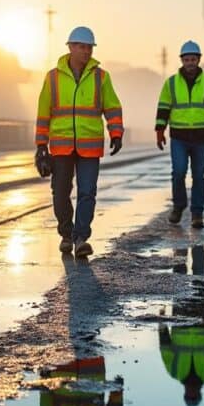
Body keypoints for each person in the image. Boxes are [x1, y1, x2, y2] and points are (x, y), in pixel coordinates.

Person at [35, 26, 124, 258]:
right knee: (60, 193)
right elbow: (43, 112)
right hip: (61, 146)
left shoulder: (101, 77)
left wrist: (116, 132)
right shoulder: (52, 78)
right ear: (70, 48)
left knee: (87, 193)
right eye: (81, 47)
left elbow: (112, 107)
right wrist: (40, 146)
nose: (86, 51)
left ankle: (81, 238)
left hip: (90, 146)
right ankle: (66, 234)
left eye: (89, 48)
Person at [155, 40, 204, 229]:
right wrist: (159, 130)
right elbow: (163, 108)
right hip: (179, 137)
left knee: (198, 176)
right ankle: (178, 207)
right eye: (187, 59)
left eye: (193, 59)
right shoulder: (171, 84)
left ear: (199, 60)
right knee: (178, 173)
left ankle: (197, 214)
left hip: (201, 138)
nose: (190, 63)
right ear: (182, 61)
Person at [159, 245, 204, 406]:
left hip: (180, 318)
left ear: (185, 394)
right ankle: (198, 244)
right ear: (199, 394)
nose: (192, 393)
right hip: (202, 318)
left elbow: (165, 347)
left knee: (179, 277)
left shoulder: (174, 372)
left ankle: (180, 247)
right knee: (200, 276)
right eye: (194, 396)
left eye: (189, 396)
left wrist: (161, 324)